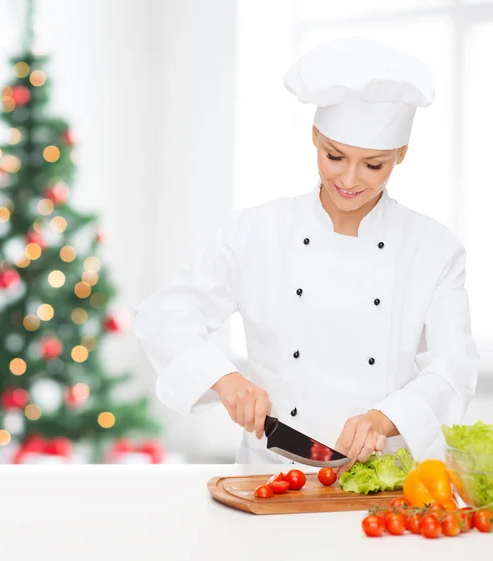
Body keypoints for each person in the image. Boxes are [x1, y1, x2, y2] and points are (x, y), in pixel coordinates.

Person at [133, 36, 479, 469]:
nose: (350, 179)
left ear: (401, 154)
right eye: (335, 156)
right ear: (314, 136)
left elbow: (455, 367)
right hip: (272, 473)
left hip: (377, 479)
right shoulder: (254, 232)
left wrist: (387, 418)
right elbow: (163, 315)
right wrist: (224, 379)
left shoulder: (433, 249)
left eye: (374, 165)